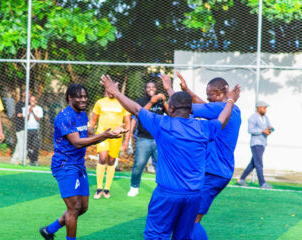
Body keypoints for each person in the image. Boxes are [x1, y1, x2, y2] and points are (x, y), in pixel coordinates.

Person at [100, 74, 240, 240]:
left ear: (171, 109)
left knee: (156, 235)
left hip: (168, 194)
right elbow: (221, 120)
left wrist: (115, 92)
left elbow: (136, 109)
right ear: (190, 110)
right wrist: (231, 101)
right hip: (192, 195)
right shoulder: (204, 128)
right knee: (183, 235)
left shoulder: (162, 124)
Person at [39, 84, 127, 240]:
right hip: (65, 165)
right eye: (79, 97)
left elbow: (90, 133)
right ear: (70, 98)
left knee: (83, 208)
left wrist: (110, 133)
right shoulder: (64, 117)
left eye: (85, 96)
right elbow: (77, 142)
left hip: (78, 164)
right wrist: (104, 136)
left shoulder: (82, 115)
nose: (83, 99)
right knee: (73, 208)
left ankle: (49, 230)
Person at [162, 72, 242, 239]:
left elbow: (183, 107)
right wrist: (187, 90)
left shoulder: (220, 107)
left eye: (211, 95)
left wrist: (169, 89)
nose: (209, 99)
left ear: (222, 92)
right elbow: (204, 105)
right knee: (186, 218)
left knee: (192, 220)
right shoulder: (231, 109)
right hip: (218, 171)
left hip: (213, 172)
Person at [127, 81, 167, 197]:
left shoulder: (161, 101)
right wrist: (151, 102)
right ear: (145, 89)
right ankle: (134, 187)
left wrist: (164, 102)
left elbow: (170, 113)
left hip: (159, 139)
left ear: (156, 89)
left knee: (161, 164)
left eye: (153, 87)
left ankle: (163, 188)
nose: (151, 89)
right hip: (143, 138)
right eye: (148, 87)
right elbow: (139, 114)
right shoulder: (140, 101)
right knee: (139, 164)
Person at [89, 89, 131, 199]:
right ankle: (99, 188)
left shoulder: (122, 104)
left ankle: (107, 189)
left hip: (117, 137)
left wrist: (127, 141)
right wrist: (89, 134)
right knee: (102, 158)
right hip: (102, 135)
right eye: (109, 88)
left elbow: (127, 122)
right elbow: (93, 119)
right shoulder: (100, 102)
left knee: (111, 161)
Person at [237, 100, 273, 189]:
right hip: (256, 144)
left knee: (253, 163)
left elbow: (270, 127)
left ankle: (241, 180)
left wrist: (270, 130)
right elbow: (250, 130)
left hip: (263, 143)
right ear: (259, 108)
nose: (265, 110)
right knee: (259, 164)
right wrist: (262, 131)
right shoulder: (253, 118)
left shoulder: (266, 118)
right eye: (264, 108)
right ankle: (262, 183)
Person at [23, 95, 43, 166]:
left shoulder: (39, 108)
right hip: (28, 129)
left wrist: (33, 112)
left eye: (33, 100)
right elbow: (26, 119)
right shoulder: (25, 108)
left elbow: (39, 119)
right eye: (31, 100)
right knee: (29, 146)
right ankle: (31, 160)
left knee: (36, 145)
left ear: (36, 101)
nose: (32, 102)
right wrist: (29, 111)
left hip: (35, 129)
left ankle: (36, 160)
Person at [10, 92, 26, 165]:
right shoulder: (19, 104)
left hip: (27, 127)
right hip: (20, 126)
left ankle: (16, 158)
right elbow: (19, 114)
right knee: (21, 142)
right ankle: (19, 158)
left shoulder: (29, 104)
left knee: (21, 143)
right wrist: (25, 115)